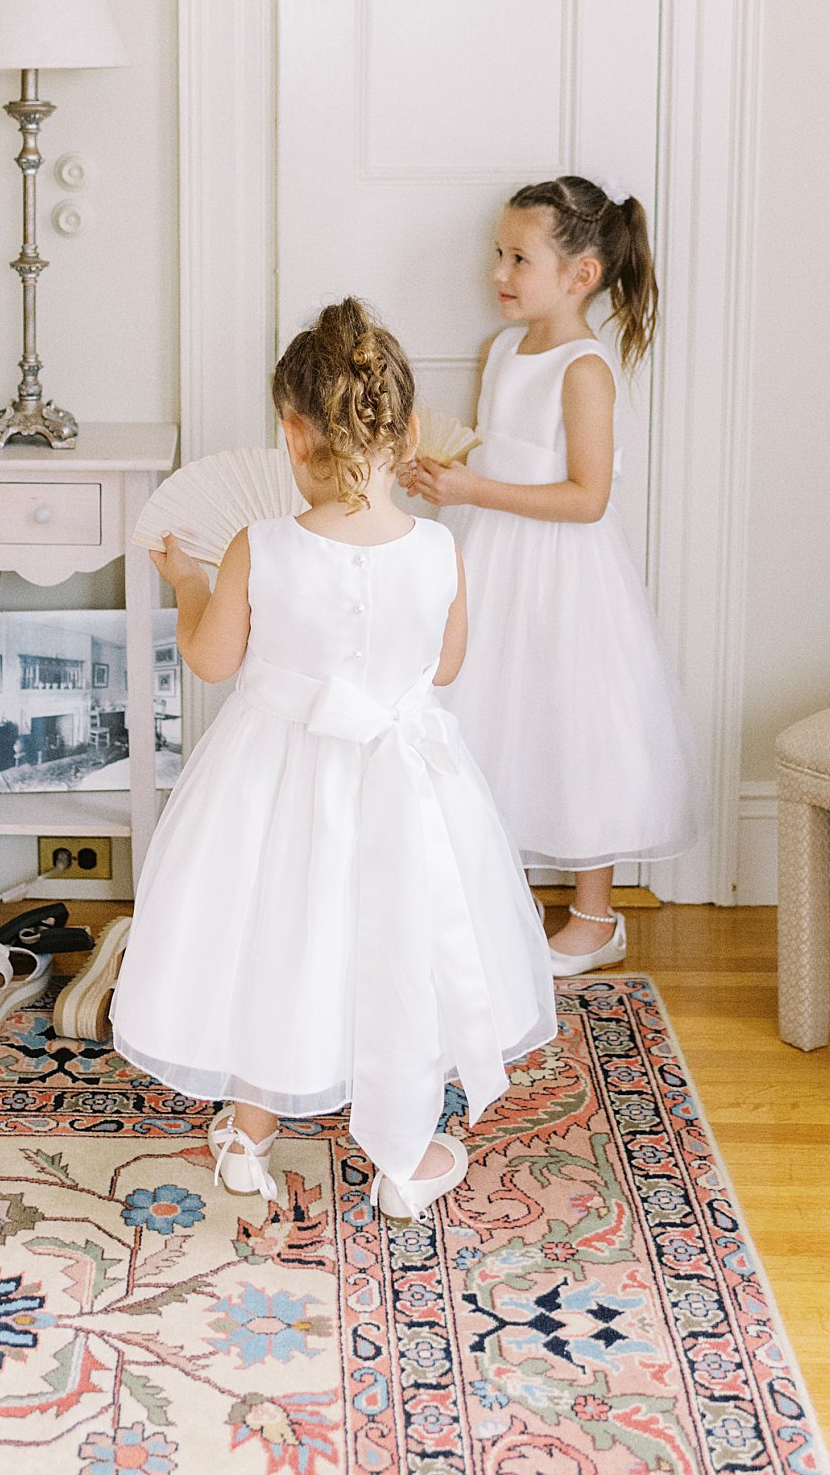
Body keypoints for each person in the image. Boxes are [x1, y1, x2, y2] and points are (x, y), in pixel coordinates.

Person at [111, 298, 554, 1222]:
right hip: (407, 781)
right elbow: (445, 665)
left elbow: (211, 658)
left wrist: (188, 580)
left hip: (273, 783)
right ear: (409, 434)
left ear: (291, 435)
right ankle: (405, 1149)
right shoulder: (438, 550)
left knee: (278, 942)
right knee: (406, 940)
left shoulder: (256, 545)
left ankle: (249, 1136)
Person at [404, 178, 699, 975]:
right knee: (481, 712)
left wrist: (469, 489)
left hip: (564, 575)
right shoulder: (500, 350)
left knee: (575, 726)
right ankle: (483, 889)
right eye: (496, 254)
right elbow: (490, 449)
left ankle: (596, 917)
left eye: (518, 258)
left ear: (581, 275)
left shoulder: (583, 368)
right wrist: (443, 474)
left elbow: (587, 497)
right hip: (490, 557)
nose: (498, 272)